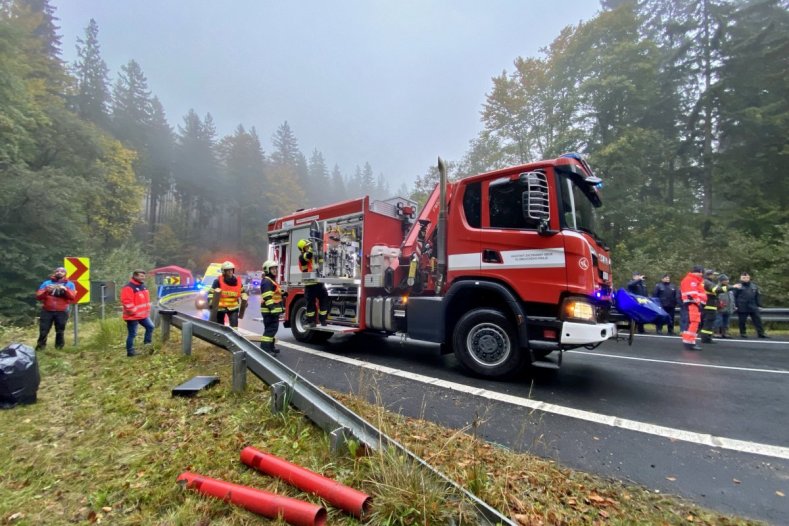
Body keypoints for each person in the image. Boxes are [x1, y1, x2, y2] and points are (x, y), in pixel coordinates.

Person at [35, 266, 77, 351]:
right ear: (55, 273)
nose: (59, 272)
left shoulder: (70, 284)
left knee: (60, 330)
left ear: (65, 274)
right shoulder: (47, 283)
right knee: (43, 330)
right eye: (57, 271)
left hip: (62, 311)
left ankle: (59, 348)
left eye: (62, 271)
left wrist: (65, 289)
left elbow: (72, 297)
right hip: (47, 310)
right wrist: (47, 290)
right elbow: (38, 296)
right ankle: (40, 348)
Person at [120, 269, 154, 357]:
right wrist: (133, 312)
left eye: (144, 276)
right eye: (141, 276)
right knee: (132, 334)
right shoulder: (129, 287)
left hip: (143, 315)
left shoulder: (143, 286)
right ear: (135, 276)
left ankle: (147, 345)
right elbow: (127, 302)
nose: (143, 278)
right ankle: (130, 352)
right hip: (132, 316)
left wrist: (146, 311)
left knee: (150, 327)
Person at [297, 239, 329, 327]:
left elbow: (321, 263)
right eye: (307, 246)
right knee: (311, 304)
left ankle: (323, 319)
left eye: (309, 246)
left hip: (318, 283)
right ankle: (311, 321)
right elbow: (308, 256)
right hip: (310, 285)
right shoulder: (302, 256)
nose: (309, 247)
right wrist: (313, 248)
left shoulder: (314, 256)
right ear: (303, 249)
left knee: (324, 300)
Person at [211, 261, 248, 328]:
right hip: (220, 308)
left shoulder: (237, 282)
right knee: (220, 326)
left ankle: (233, 338)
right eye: (228, 270)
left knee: (234, 327)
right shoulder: (217, 281)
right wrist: (211, 302)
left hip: (233, 307)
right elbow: (211, 293)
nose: (230, 272)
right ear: (223, 272)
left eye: (231, 270)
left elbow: (243, 292)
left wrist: (245, 301)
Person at [732, 272, 768, 338]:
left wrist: (759, 305)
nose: (746, 279)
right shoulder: (738, 286)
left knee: (758, 320)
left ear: (749, 278)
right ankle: (743, 333)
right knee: (742, 321)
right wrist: (735, 306)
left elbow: (757, 296)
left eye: (747, 277)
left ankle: (761, 333)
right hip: (742, 306)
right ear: (741, 278)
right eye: (744, 278)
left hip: (753, 306)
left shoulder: (754, 286)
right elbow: (734, 297)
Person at [679, 265, 707, 351]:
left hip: (695, 304)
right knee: (693, 323)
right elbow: (692, 293)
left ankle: (690, 342)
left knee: (694, 323)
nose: (701, 274)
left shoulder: (695, 280)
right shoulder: (691, 280)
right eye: (700, 272)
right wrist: (699, 302)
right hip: (693, 304)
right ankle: (689, 342)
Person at [259, 260, 284, 355]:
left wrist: (283, 295)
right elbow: (267, 297)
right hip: (269, 311)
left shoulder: (271, 281)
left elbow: (275, 295)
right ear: (267, 270)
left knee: (272, 330)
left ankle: (271, 347)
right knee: (270, 330)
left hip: (272, 311)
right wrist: (272, 308)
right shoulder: (267, 281)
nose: (275, 270)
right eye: (272, 269)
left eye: (275, 268)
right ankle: (265, 349)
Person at [699, 269, 719, 344]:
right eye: (713, 275)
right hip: (709, 305)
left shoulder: (704, 282)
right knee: (708, 322)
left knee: (708, 322)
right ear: (709, 275)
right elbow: (717, 290)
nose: (715, 276)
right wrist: (728, 287)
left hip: (707, 305)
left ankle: (707, 337)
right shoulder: (707, 282)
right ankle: (705, 338)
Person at [714, 274, 734, 338]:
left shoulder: (730, 289)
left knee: (726, 321)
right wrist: (717, 304)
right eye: (725, 280)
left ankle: (724, 333)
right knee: (718, 320)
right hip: (719, 308)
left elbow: (732, 298)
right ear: (720, 281)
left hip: (728, 308)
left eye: (727, 280)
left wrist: (733, 306)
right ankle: (717, 332)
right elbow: (714, 298)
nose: (727, 281)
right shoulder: (717, 288)